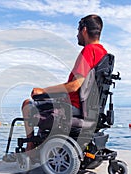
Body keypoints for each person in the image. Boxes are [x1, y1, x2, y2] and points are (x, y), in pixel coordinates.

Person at [21, 14, 107, 152]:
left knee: (27, 104)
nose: (77, 35)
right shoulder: (103, 54)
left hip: (73, 106)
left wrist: (44, 91)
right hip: (89, 108)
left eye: (78, 31)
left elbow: (74, 86)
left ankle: (30, 147)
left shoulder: (88, 51)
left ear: (84, 30)